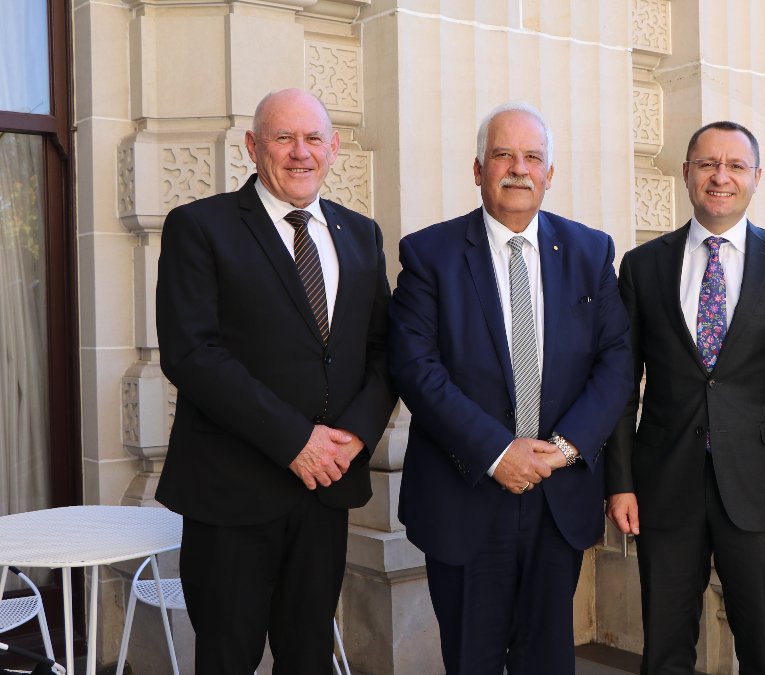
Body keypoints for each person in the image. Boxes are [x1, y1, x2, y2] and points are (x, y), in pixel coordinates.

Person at [155, 88, 396, 674]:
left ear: (333, 148)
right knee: (228, 657)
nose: (299, 153)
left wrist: (356, 437)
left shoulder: (361, 234)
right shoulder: (199, 227)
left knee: (307, 653)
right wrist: (296, 441)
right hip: (230, 495)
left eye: (313, 138)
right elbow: (192, 354)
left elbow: (384, 350)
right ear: (252, 147)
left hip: (326, 490)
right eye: (282, 138)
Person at [388, 102, 632, 675]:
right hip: (465, 490)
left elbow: (617, 359)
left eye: (532, 157)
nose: (518, 168)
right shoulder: (429, 254)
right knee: (471, 658)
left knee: (547, 659)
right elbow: (415, 367)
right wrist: (497, 452)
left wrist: (568, 446)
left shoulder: (590, 250)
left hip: (558, 491)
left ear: (550, 173)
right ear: (478, 170)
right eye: (503, 154)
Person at [606, 121, 765, 675]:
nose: (721, 177)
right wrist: (620, 481)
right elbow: (619, 386)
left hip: (761, 488)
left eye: (735, 166)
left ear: (756, 178)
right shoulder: (642, 266)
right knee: (664, 647)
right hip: (663, 486)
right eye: (708, 164)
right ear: (686, 173)